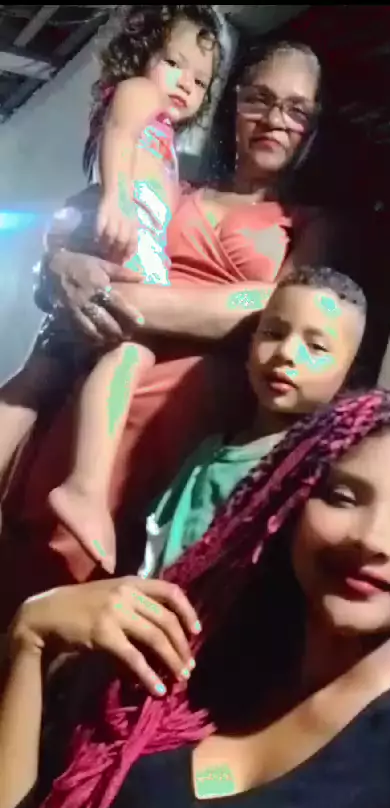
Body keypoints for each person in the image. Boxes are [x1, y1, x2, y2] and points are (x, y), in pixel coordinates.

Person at [1, 388, 390, 808]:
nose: (372, 539)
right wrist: (30, 638)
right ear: (291, 510)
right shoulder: (185, 670)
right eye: (343, 497)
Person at [0, 37, 329, 625]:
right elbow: (77, 230)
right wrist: (61, 267)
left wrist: (118, 298)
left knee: (112, 604)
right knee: (26, 581)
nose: (274, 119)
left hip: (182, 427)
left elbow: (271, 307)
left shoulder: (311, 223)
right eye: (259, 99)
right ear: (234, 105)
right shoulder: (175, 180)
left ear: (315, 126)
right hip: (91, 402)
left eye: (296, 109)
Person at [0, 5, 223, 574]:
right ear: (142, 54)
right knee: (132, 346)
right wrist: (118, 197)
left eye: (200, 81)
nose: (185, 83)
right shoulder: (139, 95)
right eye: (173, 62)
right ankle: (85, 485)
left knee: (42, 371)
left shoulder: (165, 137)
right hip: (127, 237)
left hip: (118, 233)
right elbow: (119, 136)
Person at [140, 265, 366, 577]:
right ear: (250, 347)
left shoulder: (308, 474)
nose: (286, 353)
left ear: (348, 376)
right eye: (273, 334)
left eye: (315, 347)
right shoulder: (210, 451)